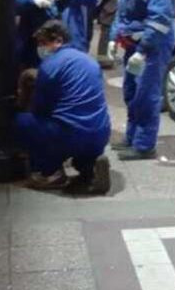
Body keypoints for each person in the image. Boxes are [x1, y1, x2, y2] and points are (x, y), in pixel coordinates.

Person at [14, 21, 111, 193]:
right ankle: (89, 167)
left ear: (58, 40)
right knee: (79, 134)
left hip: (69, 134)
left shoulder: (50, 66)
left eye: (43, 43)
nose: (41, 48)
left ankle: (50, 172)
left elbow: (40, 109)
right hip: (101, 131)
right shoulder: (89, 60)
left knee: (23, 122)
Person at [109, 0, 175, 160]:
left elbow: (159, 23)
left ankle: (144, 145)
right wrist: (113, 38)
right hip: (132, 44)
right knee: (131, 91)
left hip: (152, 47)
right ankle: (132, 138)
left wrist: (143, 50)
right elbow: (121, 13)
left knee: (146, 95)